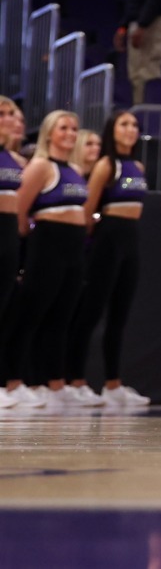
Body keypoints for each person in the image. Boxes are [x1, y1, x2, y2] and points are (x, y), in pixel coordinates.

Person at [3, 111, 90, 410]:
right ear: (49, 133)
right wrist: (30, 243)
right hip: (48, 244)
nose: (70, 133)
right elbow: (20, 210)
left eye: (74, 128)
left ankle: (53, 383)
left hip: (74, 248)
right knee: (31, 314)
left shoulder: (75, 169)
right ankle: (14, 380)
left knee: (62, 317)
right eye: (63, 128)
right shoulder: (40, 165)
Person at [66, 110, 150, 408]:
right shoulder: (106, 164)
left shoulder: (137, 166)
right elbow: (87, 209)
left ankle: (113, 384)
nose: (130, 129)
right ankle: (75, 380)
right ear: (112, 130)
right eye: (124, 124)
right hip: (108, 239)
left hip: (131, 239)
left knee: (119, 315)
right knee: (90, 312)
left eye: (134, 125)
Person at [0, 97, 26, 397]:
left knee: (5, 309)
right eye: (2, 114)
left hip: (9, 235)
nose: (9, 119)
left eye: (11, 114)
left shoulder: (15, 160)